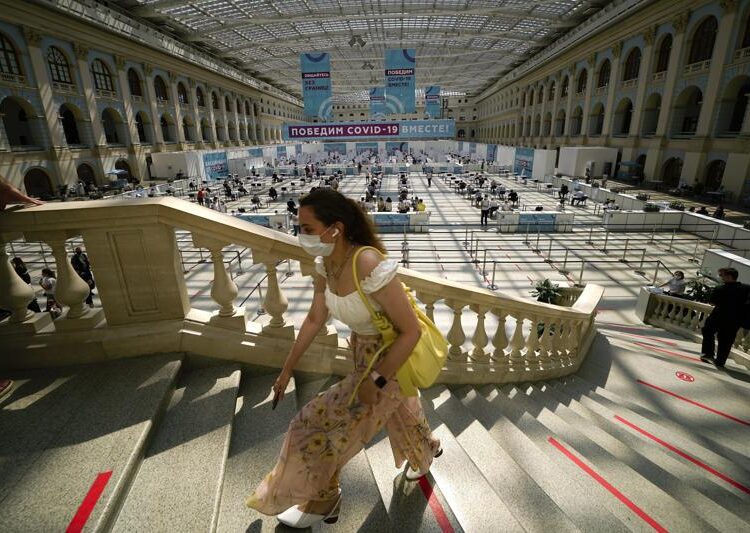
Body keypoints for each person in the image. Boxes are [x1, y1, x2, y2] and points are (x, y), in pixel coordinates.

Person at [246, 188, 441, 527]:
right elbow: (313, 319)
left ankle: (325, 499)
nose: (300, 236)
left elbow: (411, 331)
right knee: (402, 415)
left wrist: (376, 380)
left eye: (307, 228)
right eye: (299, 227)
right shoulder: (326, 265)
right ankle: (428, 447)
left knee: (313, 425)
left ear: (334, 228)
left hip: (390, 361)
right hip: (361, 354)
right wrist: (286, 371)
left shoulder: (367, 263)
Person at [701, 268, 749, 368]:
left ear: (729, 276)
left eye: (722, 275)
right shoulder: (746, 288)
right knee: (726, 340)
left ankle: (708, 353)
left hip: (718, 316)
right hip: (735, 319)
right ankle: (720, 361)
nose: (721, 277)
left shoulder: (720, 288)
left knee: (708, 331)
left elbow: (712, 302)